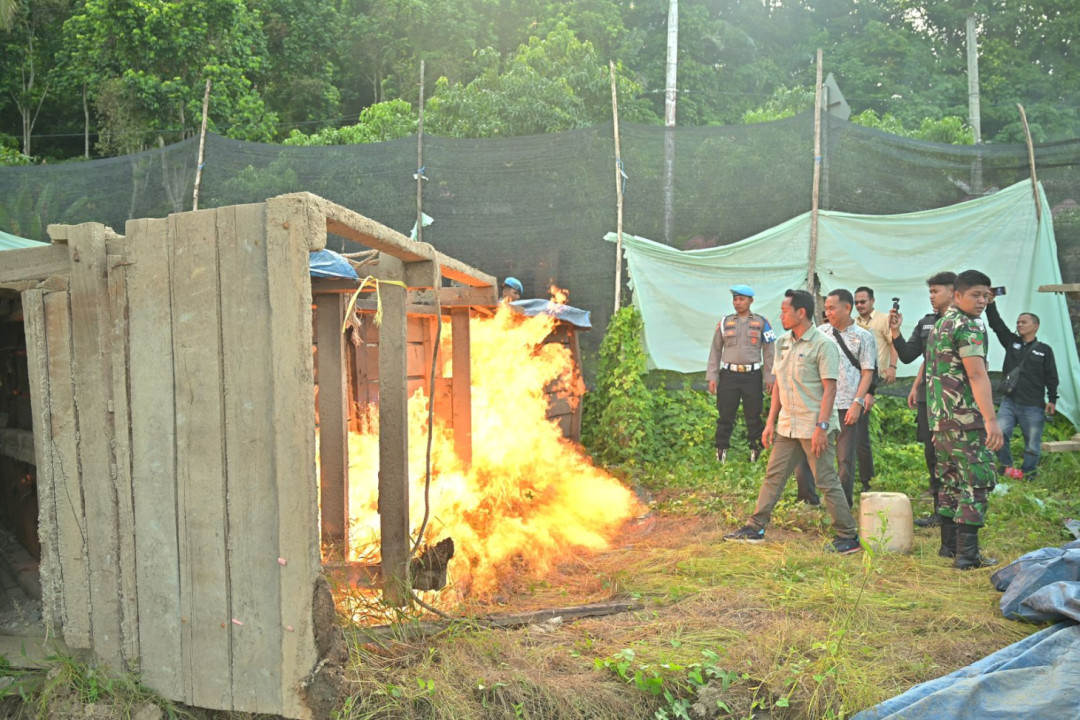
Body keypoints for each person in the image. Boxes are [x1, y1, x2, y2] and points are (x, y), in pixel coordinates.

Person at [723, 289, 861, 554]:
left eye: (785, 311)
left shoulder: (823, 345)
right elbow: (778, 385)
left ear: (801, 313)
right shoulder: (782, 342)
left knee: (825, 479)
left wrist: (822, 427)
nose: (781, 315)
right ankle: (755, 526)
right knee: (774, 475)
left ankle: (848, 535)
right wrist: (770, 422)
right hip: (788, 424)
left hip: (813, 425)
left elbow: (830, 389)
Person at [926, 269, 1003, 570]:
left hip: (942, 422)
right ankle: (967, 555)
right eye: (976, 294)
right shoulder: (968, 327)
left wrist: (936, 422)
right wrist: (991, 420)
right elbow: (976, 373)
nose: (983, 300)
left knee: (950, 483)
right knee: (975, 482)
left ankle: (948, 547)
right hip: (966, 422)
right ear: (957, 295)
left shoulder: (940, 325)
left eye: (986, 295)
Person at [793, 289, 876, 507]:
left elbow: (868, 372)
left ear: (846, 308)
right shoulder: (820, 332)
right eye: (826, 308)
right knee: (808, 453)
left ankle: (841, 505)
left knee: (845, 459)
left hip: (847, 405)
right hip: (819, 405)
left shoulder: (864, 337)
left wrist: (858, 402)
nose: (827, 312)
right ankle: (807, 499)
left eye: (831, 308)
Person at [889, 271, 956, 527]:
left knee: (953, 455)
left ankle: (958, 511)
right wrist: (895, 332)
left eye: (936, 291)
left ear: (953, 292)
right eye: (930, 292)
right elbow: (907, 355)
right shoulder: (926, 322)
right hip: (930, 401)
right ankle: (940, 511)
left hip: (953, 401)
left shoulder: (964, 322)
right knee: (933, 454)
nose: (931, 296)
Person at [984, 297, 1059, 477]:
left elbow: (1051, 375)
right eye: (1017, 322)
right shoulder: (1012, 342)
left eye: (1024, 322)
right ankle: (1006, 468)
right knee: (999, 434)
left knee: (1032, 443)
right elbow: (997, 325)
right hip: (1010, 401)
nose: (1019, 325)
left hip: (1033, 404)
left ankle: (1029, 473)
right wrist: (991, 304)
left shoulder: (1044, 350)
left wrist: (1052, 399)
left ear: (1035, 326)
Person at [705, 284, 776, 463]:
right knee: (725, 414)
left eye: (741, 299)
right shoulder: (725, 322)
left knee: (754, 414)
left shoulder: (762, 322)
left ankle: (755, 450)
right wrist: (712, 376)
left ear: (751, 301)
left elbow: (769, 351)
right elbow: (715, 350)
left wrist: (770, 377)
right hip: (729, 375)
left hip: (752, 375)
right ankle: (721, 452)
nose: (737, 302)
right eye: (735, 299)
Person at [853, 286, 898, 492]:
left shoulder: (882, 320)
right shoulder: (853, 323)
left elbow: (894, 343)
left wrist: (892, 366)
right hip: (854, 380)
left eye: (863, 301)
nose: (860, 306)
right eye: (857, 302)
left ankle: (867, 481)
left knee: (861, 437)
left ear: (872, 301)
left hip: (873, 379)